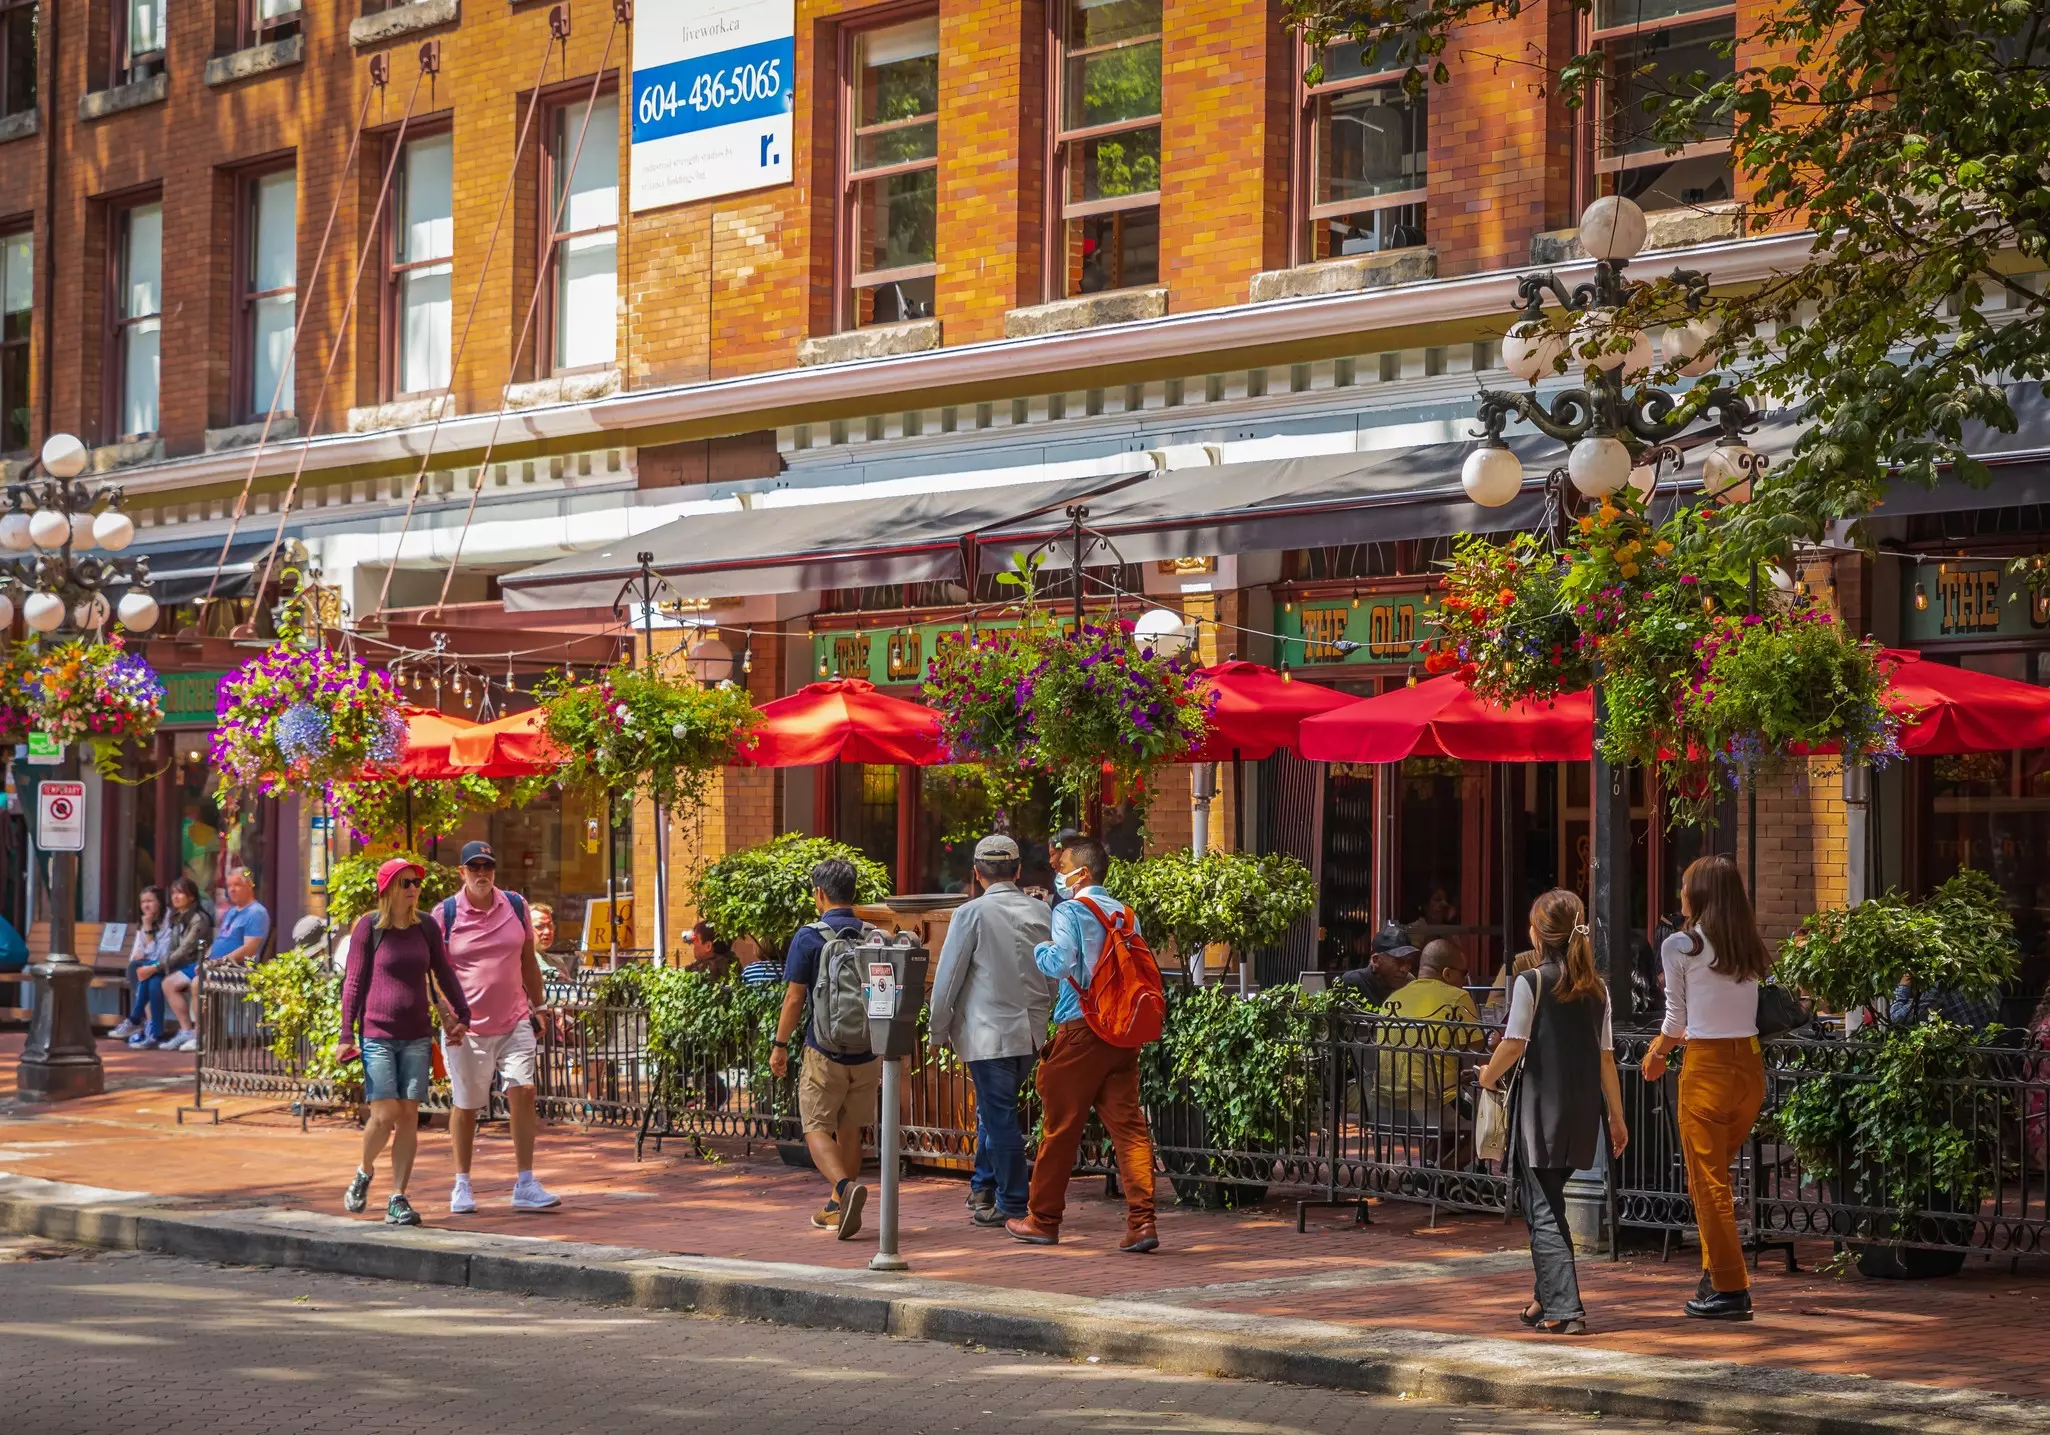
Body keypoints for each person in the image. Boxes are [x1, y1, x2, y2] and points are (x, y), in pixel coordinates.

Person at [1474, 889, 1629, 1336]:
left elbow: (1514, 1043)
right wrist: (1617, 1118)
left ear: (1539, 934)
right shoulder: (1596, 988)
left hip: (1539, 1110)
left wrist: (1487, 1077)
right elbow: (1605, 1058)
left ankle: (1565, 1307)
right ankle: (1545, 1297)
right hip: (1582, 1110)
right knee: (1549, 1202)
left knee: (1542, 1209)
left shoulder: (1531, 982)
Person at [1008, 836, 1159, 1254]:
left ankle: (1042, 1220)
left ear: (1083, 873)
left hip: (1080, 1028)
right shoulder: (1126, 914)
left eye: (1064, 866)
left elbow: (1061, 962)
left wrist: (1038, 948)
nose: (1060, 873)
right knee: (1129, 1130)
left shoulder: (1070, 910)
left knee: (1058, 1130)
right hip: (1122, 1031)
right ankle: (1142, 1223)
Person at [1641, 855, 1770, 1322]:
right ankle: (1714, 1276)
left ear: (1698, 895)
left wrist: (1656, 1055)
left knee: (1707, 1183)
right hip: (1749, 1071)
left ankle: (1731, 1287)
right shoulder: (1748, 945)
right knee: (1714, 1177)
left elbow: (1676, 1020)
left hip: (1708, 1069)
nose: (1679, 894)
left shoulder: (1681, 945)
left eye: (1683, 886)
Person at [927, 834, 1054, 1228]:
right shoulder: (1041, 912)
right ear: (1017, 871)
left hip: (988, 1034)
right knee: (993, 1112)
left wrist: (936, 1031)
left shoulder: (971, 914)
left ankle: (1013, 1201)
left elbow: (947, 980)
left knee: (998, 1118)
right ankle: (983, 1185)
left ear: (977, 874)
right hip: (1031, 1033)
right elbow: (1053, 976)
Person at [337, 857, 472, 1227]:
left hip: (416, 1034)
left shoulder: (426, 927)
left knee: (410, 1116)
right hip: (377, 1034)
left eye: (416, 883)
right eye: (406, 883)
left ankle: (398, 1197)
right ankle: (365, 1171)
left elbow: (443, 971)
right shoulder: (369, 928)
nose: (413, 890)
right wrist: (346, 1034)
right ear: (388, 889)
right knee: (385, 1114)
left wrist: (464, 1013)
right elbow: (353, 983)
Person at [437, 840, 557, 1216]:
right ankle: (462, 1184)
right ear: (462, 873)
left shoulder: (516, 906)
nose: (482, 873)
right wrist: (445, 1013)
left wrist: (538, 1007)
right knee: (468, 1106)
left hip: (514, 1018)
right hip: (467, 1028)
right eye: (474, 867)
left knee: (524, 1089)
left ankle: (525, 1182)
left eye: (487, 866)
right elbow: (434, 972)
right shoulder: (446, 913)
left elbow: (528, 962)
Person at [769, 857, 880, 1241]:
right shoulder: (872, 934)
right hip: (867, 1052)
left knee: (815, 1126)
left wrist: (779, 1045)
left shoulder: (809, 936)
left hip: (825, 1050)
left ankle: (846, 1190)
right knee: (851, 1128)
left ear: (819, 893)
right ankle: (837, 1207)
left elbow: (794, 999)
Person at [1377, 938, 1482, 1154]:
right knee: (1494, 1119)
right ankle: (1436, 1176)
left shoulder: (1393, 1000)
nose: (1465, 979)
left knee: (1454, 1102)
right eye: (1464, 973)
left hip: (1388, 1106)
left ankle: (1430, 1173)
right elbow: (1479, 1049)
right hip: (1433, 1105)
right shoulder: (1458, 997)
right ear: (1447, 973)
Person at [157, 877, 215, 1050]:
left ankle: (186, 1030)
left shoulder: (198, 919)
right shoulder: (177, 918)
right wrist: (159, 964)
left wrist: (158, 966)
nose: (176, 897)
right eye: (173, 893)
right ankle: (148, 1028)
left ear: (191, 897)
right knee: (149, 981)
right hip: (181, 964)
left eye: (180, 893)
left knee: (167, 983)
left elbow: (184, 949)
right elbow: (171, 947)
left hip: (196, 964)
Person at [113, 885, 172, 1047]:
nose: (146, 906)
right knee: (148, 980)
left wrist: (147, 929)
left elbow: (158, 955)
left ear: (159, 902)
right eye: (142, 902)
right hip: (150, 970)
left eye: (150, 901)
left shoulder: (170, 921)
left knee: (146, 974)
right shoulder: (145, 920)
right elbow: (136, 954)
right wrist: (146, 930)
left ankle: (137, 1020)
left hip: (168, 967)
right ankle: (153, 1032)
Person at [1338, 926, 1419, 1007]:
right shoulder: (1354, 982)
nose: (1405, 969)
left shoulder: (1408, 982)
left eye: (1409, 962)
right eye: (1399, 961)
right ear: (1376, 960)